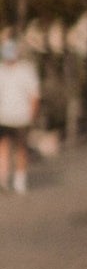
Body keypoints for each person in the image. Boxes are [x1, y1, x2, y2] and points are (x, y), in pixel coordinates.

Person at [0, 38, 41, 196]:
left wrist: (32, 114)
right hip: (3, 116)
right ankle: (3, 177)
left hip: (21, 117)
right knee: (3, 147)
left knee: (21, 149)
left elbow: (34, 95)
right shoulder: (1, 71)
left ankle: (20, 179)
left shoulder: (25, 70)